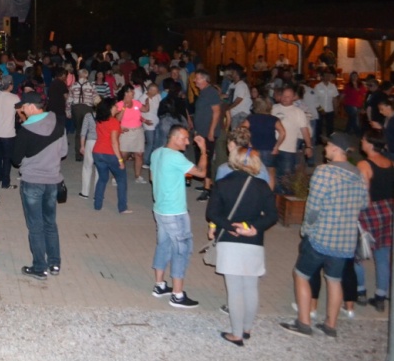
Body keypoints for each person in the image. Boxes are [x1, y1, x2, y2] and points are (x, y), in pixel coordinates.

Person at [281, 132, 369, 339]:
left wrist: (306, 230)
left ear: (337, 149)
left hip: (321, 237)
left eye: (328, 145)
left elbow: (313, 207)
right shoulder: (358, 174)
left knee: (301, 275)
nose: (325, 149)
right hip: (345, 240)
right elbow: (364, 204)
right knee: (334, 280)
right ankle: (330, 325)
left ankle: (304, 323)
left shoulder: (324, 172)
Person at [206, 145, 278, 346]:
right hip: (253, 242)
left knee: (235, 289)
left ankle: (236, 334)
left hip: (230, 242)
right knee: (251, 287)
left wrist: (230, 226)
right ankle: (246, 329)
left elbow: (212, 213)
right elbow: (272, 215)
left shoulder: (222, 184)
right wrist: (254, 228)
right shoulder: (262, 186)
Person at [150, 125, 209, 308]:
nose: (187, 142)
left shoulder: (157, 153)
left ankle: (159, 285)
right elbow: (202, 173)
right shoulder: (176, 157)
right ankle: (177, 294)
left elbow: (152, 177)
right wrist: (203, 150)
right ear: (174, 138)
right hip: (175, 212)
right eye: (184, 138)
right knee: (181, 250)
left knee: (163, 246)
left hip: (160, 209)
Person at [12, 91, 66, 280]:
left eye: (23, 107)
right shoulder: (58, 124)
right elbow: (64, 152)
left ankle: (39, 267)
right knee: (50, 223)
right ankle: (55, 263)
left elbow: (15, 159)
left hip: (32, 181)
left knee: (35, 226)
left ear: (32, 106)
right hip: (52, 181)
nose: (22, 111)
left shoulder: (26, 130)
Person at [357, 132, 393, 313]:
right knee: (383, 255)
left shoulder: (364, 165)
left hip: (370, 212)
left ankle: (360, 291)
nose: (361, 142)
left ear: (370, 144)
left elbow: (363, 193)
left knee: (358, 253)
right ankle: (380, 296)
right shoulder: (390, 163)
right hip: (388, 210)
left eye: (363, 140)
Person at [92, 98, 131, 214]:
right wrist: (120, 160)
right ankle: (122, 207)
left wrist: (119, 129)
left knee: (102, 179)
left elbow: (108, 130)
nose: (117, 107)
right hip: (110, 153)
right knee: (121, 180)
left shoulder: (100, 121)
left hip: (97, 152)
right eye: (115, 105)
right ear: (110, 108)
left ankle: (97, 205)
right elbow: (114, 142)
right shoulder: (113, 122)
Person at [272, 86, 312, 193]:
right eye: (283, 96)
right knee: (272, 174)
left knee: (286, 176)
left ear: (294, 97)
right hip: (272, 147)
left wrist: (308, 146)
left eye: (288, 96)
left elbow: (304, 131)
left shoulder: (298, 112)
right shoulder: (273, 108)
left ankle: (286, 197)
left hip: (288, 149)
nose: (285, 98)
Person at [191, 69, 223, 202]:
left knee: (207, 158)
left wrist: (211, 131)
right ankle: (205, 183)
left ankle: (208, 189)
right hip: (201, 131)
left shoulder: (211, 92)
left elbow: (217, 112)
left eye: (197, 78)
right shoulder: (203, 92)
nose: (195, 81)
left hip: (208, 132)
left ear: (204, 79)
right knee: (201, 157)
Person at [241, 97, 285, 191]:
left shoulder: (251, 118)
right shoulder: (274, 119)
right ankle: (269, 193)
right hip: (269, 149)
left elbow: (242, 129)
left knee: (252, 171)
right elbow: (283, 133)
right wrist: (276, 147)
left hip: (253, 149)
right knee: (270, 172)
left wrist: (249, 143)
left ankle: (253, 191)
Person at [116, 85, 148, 184]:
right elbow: (117, 119)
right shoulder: (119, 104)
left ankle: (138, 176)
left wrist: (148, 102)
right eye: (131, 91)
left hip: (138, 131)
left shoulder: (136, 103)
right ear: (125, 93)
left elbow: (145, 109)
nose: (133, 93)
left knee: (139, 154)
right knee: (123, 156)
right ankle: (117, 176)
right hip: (125, 132)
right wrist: (124, 108)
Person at [68, 69, 98, 162]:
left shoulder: (73, 85)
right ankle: (90, 152)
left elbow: (69, 100)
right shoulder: (91, 85)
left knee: (79, 131)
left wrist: (68, 111)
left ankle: (78, 154)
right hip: (87, 108)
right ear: (87, 76)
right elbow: (96, 99)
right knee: (90, 131)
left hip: (76, 109)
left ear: (79, 75)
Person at [78, 103, 98, 199]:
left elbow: (83, 132)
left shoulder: (88, 116)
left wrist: (82, 146)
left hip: (90, 142)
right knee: (99, 169)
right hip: (101, 143)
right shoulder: (106, 116)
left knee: (87, 167)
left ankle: (85, 192)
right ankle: (97, 193)